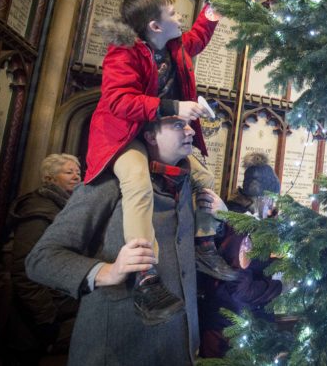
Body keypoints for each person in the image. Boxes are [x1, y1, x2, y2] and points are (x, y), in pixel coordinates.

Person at [84, 0, 237, 324]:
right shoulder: (123, 52)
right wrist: (174, 107)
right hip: (126, 136)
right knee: (137, 184)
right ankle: (145, 275)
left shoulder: (173, 45)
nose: (179, 16)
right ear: (155, 26)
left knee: (203, 177)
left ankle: (204, 247)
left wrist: (211, 12)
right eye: (173, 13)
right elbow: (118, 102)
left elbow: (195, 38)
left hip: (160, 133)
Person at [26, 116, 225, 365]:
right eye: (178, 125)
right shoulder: (109, 183)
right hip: (119, 349)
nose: (191, 131)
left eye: (189, 124)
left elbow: (183, 255)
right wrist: (107, 271)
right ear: (150, 136)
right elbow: (41, 258)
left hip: (177, 348)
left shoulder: (184, 185)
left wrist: (220, 217)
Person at [198, 152, 283, 358]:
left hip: (232, 325)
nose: (274, 207)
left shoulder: (242, 220)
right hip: (229, 332)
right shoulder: (240, 230)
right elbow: (240, 291)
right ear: (261, 199)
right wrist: (280, 285)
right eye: (272, 201)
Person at [6, 154, 82, 358]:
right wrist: (47, 320)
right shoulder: (38, 210)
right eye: (69, 172)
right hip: (33, 321)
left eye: (78, 172)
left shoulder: (65, 206)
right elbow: (24, 269)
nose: (76, 176)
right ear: (50, 178)